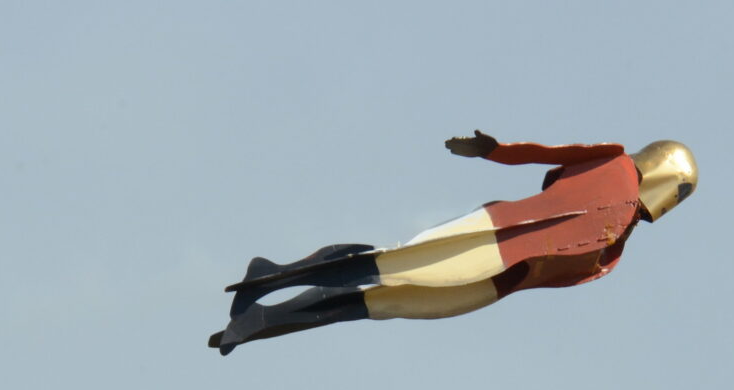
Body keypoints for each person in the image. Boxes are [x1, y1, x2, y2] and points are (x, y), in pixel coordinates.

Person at [209, 130, 697, 355]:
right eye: (677, 190)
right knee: (399, 265)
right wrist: (494, 150)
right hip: (498, 236)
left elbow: (557, 272)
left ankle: (263, 323)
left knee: (390, 301)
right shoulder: (613, 163)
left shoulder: (616, 248)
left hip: (500, 281)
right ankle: (268, 279)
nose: (671, 200)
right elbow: (550, 155)